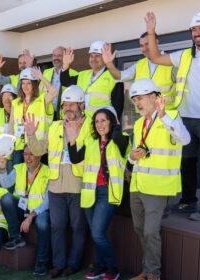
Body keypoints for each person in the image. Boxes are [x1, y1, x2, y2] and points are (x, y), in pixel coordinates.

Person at [144, 11, 200, 221]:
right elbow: (156, 57)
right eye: (194, 29)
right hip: (185, 118)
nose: (197, 33)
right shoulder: (185, 55)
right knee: (186, 163)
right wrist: (151, 32)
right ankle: (188, 201)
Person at [26, 85, 92, 278]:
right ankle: (58, 264)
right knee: (57, 227)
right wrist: (30, 134)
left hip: (79, 186)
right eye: (65, 104)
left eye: (73, 104)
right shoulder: (54, 126)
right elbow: (38, 151)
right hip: (55, 187)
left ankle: (73, 264)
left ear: (81, 105)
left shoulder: (89, 126)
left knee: (78, 228)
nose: (68, 108)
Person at [128, 79, 190, 280]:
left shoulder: (171, 116)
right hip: (137, 185)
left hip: (158, 187)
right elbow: (134, 155)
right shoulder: (138, 123)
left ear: (155, 97)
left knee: (150, 231)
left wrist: (163, 117)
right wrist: (132, 157)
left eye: (141, 98)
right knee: (140, 229)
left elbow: (185, 140)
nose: (137, 103)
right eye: (135, 99)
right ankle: (146, 271)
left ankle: (153, 274)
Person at [68, 106, 130, 280]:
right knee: (98, 234)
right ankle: (100, 266)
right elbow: (74, 158)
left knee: (97, 233)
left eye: (104, 120)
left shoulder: (120, 139)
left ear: (111, 121)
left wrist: (115, 129)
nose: (100, 124)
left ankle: (113, 268)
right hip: (90, 193)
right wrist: (72, 138)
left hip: (108, 194)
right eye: (97, 121)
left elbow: (125, 149)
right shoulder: (90, 141)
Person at [0, 145, 51, 276]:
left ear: (39, 155)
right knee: (6, 198)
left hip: (39, 211)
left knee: (43, 224)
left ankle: (42, 262)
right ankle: (16, 237)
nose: (27, 158)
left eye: (31, 154)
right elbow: (5, 183)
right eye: (25, 154)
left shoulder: (48, 171)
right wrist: (3, 167)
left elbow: (48, 202)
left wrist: (31, 216)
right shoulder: (19, 168)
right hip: (22, 209)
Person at [102, 33, 177, 109]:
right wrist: (109, 63)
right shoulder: (139, 65)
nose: (144, 49)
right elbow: (119, 77)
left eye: (147, 44)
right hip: (146, 117)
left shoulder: (171, 61)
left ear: (156, 42)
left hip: (166, 116)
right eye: (141, 45)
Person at [60, 41, 120, 118]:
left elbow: (118, 107)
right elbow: (65, 82)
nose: (93, 59)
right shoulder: (83, 74)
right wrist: (65, 65)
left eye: (97, 56)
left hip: (99, 126)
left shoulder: (114, 77)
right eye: (91, 56)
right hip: (83, 123)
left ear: (105, 57)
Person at [9, 67, 56, 164]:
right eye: (23, 83)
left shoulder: (42, 100)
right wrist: (10, 146)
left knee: (37, 177)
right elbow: (11, 126)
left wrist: (41, 77)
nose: (25, 86)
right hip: (19, 147)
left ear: (34, 85)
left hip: (37, 147)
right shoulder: (15, 103)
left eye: (29, 83)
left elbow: (53, 92)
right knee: (19, 176)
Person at [42, 46, 78, 120]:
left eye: (59, 55)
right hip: (46, 112)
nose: (56, 58)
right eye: (54, 55)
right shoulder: (45, 73)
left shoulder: (74, 74)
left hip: (63, 115)